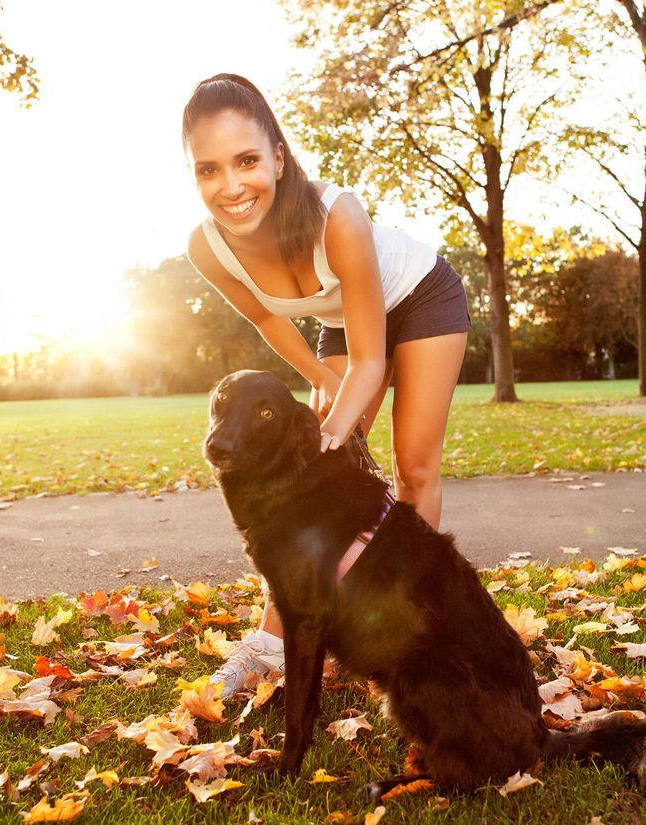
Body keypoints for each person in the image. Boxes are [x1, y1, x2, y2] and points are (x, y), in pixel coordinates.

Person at [182, 73, 470, 696]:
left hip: (422, 298)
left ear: (279, 159)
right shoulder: (207, 248)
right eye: (208, 170)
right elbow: (267, 319)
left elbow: (369, 362)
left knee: (413, 466)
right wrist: (319, 383)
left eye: (247, 161)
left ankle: (410, 628)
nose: (231, 187)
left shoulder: (337, 216)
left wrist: (331, 429)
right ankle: (271, 644)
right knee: (305, 484)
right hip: (345, 322)